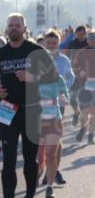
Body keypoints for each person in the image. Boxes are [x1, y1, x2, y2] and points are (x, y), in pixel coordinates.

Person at [0, 13, 58, 198]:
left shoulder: (35, 50)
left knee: (29, 160)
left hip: (31, 109)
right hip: (7, 110)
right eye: (11, 25)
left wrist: (33, 77)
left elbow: (53, 76)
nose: (14, 28)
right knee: (8, 161)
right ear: (7, 28)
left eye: (18, 25)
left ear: (25, 28)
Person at [44, 30, 74, 186]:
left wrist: (63, 92)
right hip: (40, 105)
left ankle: (55, 170)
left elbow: (71, 77)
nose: (51, 45)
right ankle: (46, 169)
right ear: (44, 43)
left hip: (56, 104)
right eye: (48, 43)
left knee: (56, 139)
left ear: (58, 44)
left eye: (54, 43)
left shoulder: (63, 60)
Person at [72, 31, 95, 144]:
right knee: (85, 111)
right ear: (87, 40)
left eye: (94, 38)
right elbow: (74, 66)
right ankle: (83, 128)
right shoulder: (81, 52)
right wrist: (79, 72)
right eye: (91, 38)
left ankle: (91, 135)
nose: (93, 40)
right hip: (85, 86)